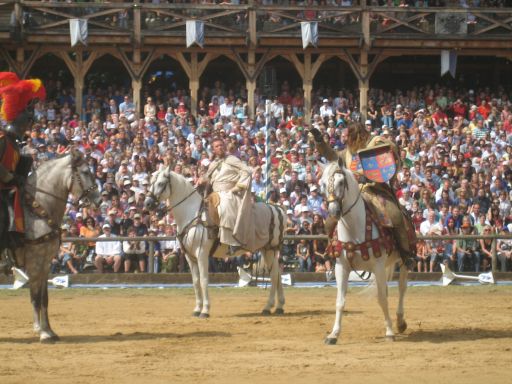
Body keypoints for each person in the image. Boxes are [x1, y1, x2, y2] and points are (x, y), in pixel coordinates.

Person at [310, 122, 415, 261]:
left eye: (349, 136)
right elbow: (330, 155)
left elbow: (390, 152)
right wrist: (319, 141)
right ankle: (333, 252)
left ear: (357, 135)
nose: (346, 140)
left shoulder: (374, 144)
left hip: (373, 190)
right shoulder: (346, 153)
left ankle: (405, 254)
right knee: (329, 222)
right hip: (351, 193)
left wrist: (381, 142)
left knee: (395, 215)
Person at [0, 72, 46, 274]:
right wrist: (10, 177)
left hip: (9, 189)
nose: (28, 125)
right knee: (5, 214)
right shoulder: (2, 140)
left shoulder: (15, 144)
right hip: (2, 188)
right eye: (27, 121)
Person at [202, 137, 253, 254]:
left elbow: (247, 171)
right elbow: (208, 179)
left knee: (225, 206)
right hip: (214, 193)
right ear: (213, 150)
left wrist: (238, 187)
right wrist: (202, 180)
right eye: (217, 146)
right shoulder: (213, 163)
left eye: (221, 145)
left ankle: (233, 241)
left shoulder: (232, 159)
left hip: (230, 192)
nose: (220, 147)